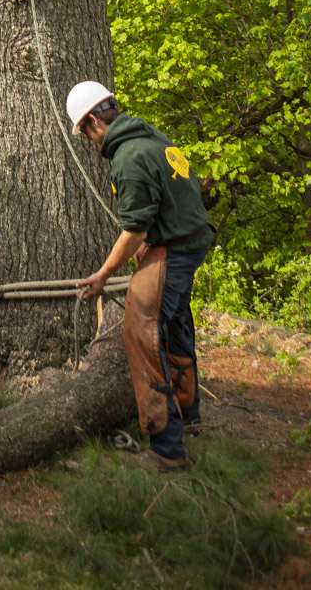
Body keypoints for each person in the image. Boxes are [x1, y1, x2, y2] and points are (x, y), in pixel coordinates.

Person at [69, 80, 211, 474]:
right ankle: (188, 411)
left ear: (93, 121)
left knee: (144, 331)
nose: (89, 141)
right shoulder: (151, 136)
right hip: (189, 240)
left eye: (84, 133)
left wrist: (104, 273)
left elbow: (133, 230)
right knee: (176, 320)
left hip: (176, 251)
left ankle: (167, 448)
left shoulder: (128, 157)